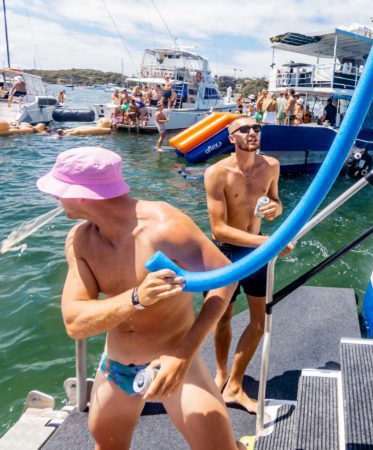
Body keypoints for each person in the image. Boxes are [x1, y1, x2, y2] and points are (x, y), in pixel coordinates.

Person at [36, 146, 244, 450]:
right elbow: (74, 322)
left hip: (174, 361)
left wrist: (184, 354)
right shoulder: (81, 240)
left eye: (59, 189)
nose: (55, 197)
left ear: (83, 195)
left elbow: (225, 278)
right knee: (107, 445)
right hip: (117, 366)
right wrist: (136, 298)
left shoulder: (165, 227)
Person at [204, 116, 293, 414]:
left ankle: (235, 386)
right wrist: (271, 244)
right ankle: (220, 372)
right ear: (232, 138)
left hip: (255, 253)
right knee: (222, 317)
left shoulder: (272, 166)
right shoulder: (217, 173)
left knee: (259, 321)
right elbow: (218, 229)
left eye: (256, 128)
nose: (252, 132)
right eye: (244, 129)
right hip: (224, 254)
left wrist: (274, 209)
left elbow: (277, 202)